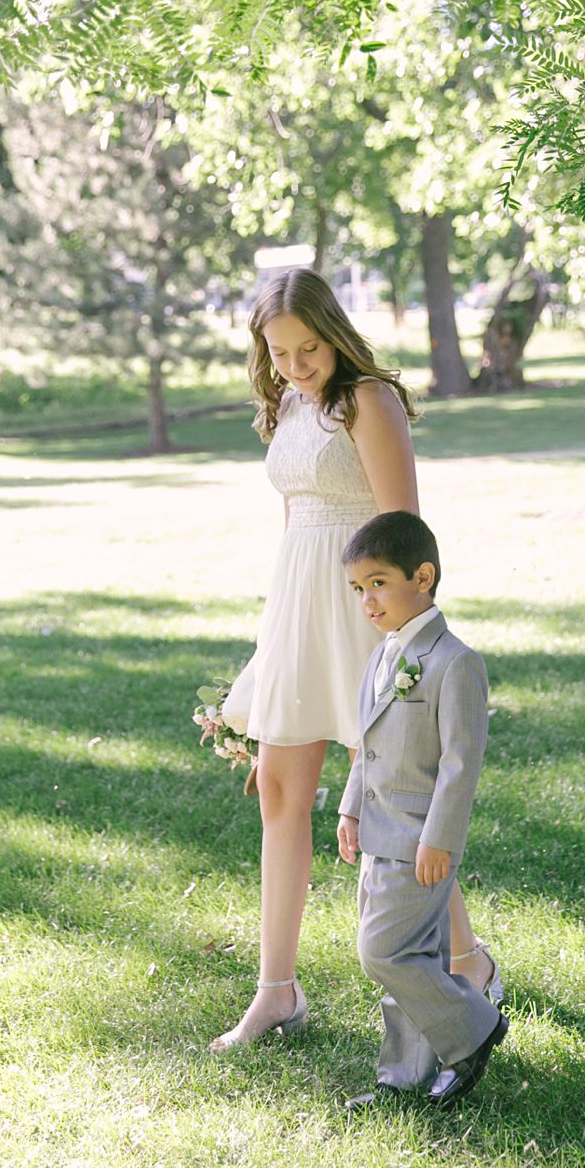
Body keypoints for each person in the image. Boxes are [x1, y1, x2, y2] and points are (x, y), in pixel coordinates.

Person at [212, 268, 497, 1052]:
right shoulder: (287, 407)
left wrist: (399, 637)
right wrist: (273, 639)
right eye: (280, 351)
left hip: (365, 609)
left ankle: (467, 964)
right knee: (278, 788)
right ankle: (277, 992)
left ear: (333, 332)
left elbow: (402, 529)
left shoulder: (368, 400)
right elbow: (292, 527)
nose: (298, 364)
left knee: (396, 800)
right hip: (298, 608)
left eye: (309, 348)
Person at [337, 512, 506, 1109]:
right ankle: (404, 1073)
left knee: (382, 952)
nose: (367, 600)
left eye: (378, 583)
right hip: (378, 833)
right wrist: (351, 807)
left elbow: (461, 765)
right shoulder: (384, 657)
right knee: (411, 957)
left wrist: (441, 839)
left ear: (423, 577)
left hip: (419, 840)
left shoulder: (453, 662)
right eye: (358, 589)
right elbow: (369, 743)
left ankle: (475, 1028)